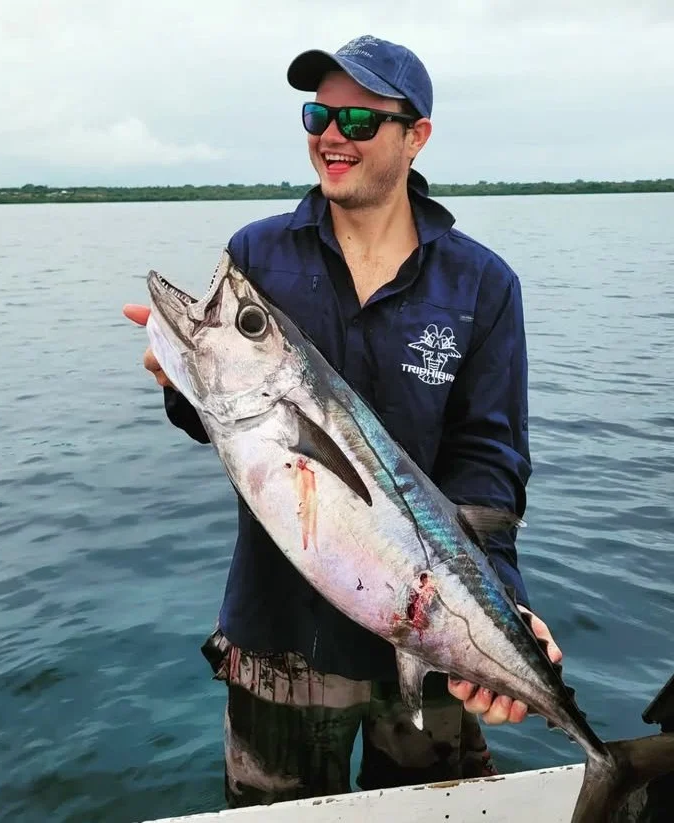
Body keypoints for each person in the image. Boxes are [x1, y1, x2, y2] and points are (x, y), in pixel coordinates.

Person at [123, 34, 562, 808]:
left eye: (359, 121)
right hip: (277, 636)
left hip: (434, 633)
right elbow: (233, 427)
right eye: (318, 114)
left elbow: (489, 462)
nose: (331, 134)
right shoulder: (259, 255)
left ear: (415, 134)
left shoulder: (483, 284)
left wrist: (506, 599)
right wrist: (181, 383)